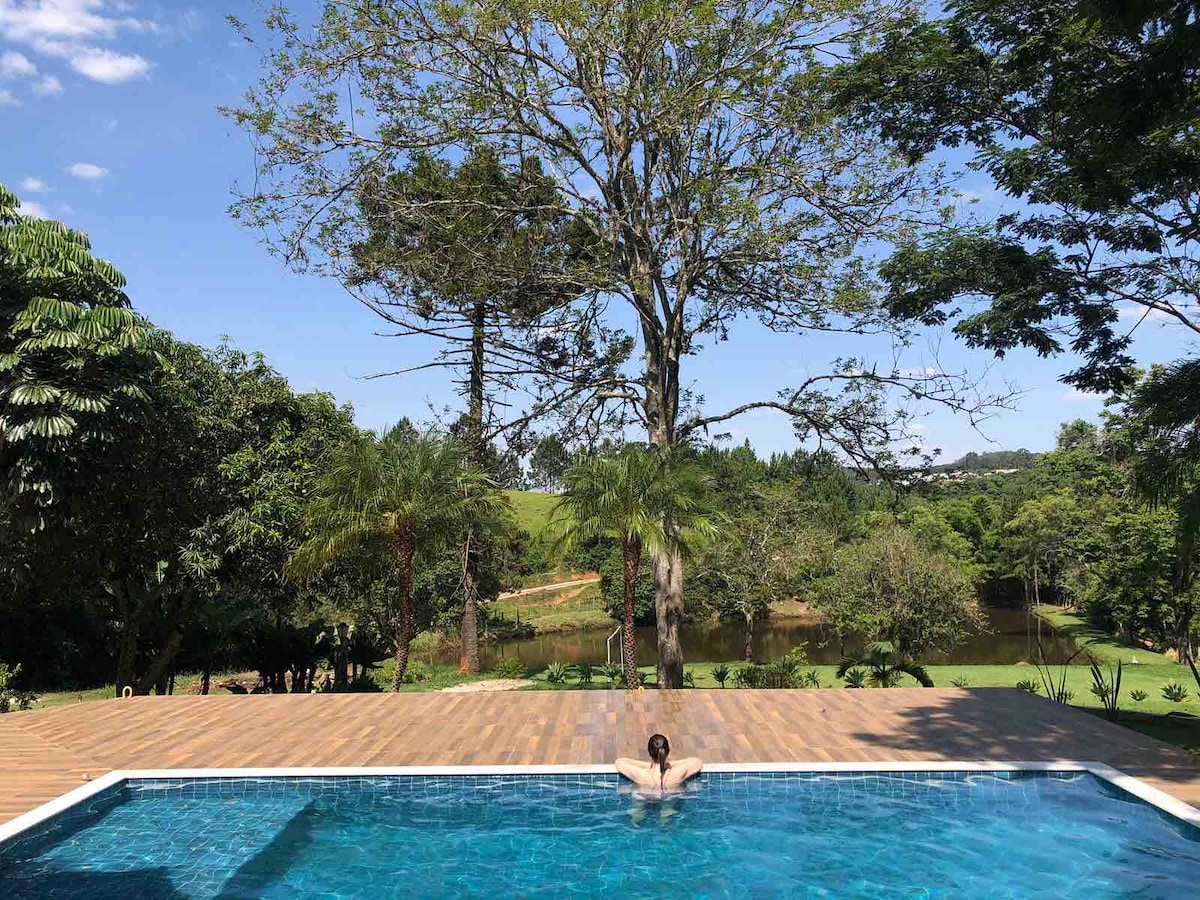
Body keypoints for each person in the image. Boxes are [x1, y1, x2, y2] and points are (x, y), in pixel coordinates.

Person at [615, 734, 702, 793]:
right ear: (668, 752)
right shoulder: (676, 773)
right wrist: (668, 764)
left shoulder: (641, 775)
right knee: (668, 809)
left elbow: (619, 762)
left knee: (638, 801)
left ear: (649, 753)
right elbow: (697, 762)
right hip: (670, 797)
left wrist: (647, 765)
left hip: (645, 797)